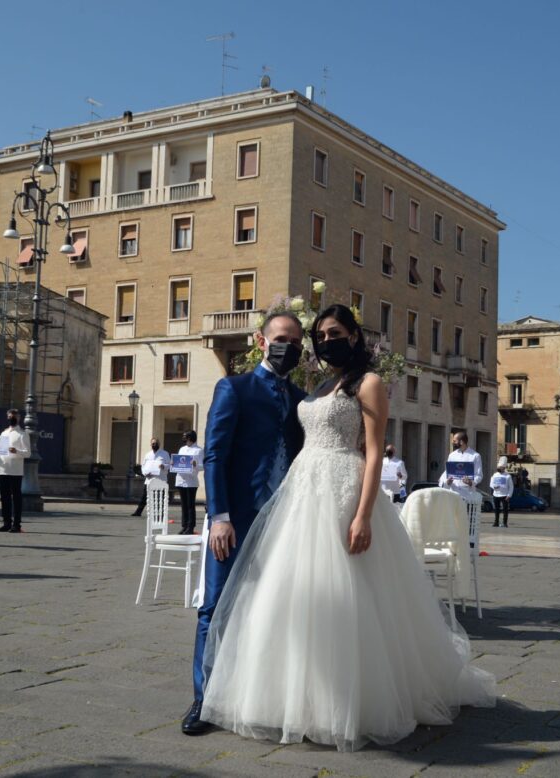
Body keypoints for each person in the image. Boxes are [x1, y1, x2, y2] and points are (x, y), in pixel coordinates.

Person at [197, 304, 496, 751]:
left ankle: (346, 700)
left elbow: (375, 454)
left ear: (355, 336)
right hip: (302, 496)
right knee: (294, 597)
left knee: (348, 596)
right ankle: (290, 697)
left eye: (334, 332)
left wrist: (362, 514)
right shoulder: (316, 386)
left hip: (343, 493)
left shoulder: (370, 383)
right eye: (318, 335)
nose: (324, 341)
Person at [184, 310, 307, 736]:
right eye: (280, 338)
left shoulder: (301, 399)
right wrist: (219, 516)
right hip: (234, 521)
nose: (286, 346)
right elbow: (215, 454)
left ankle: (259, 696)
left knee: (273, 609)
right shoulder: (233, 388)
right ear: (260, 340)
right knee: (216, 606)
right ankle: (204, 699)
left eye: (294, 341)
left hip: (284, 524)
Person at [0, 409, 30, 533]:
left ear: (19, 418)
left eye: (14, 416)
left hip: (16, 470)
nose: (11, 418)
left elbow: (28, 453)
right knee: (4, 497)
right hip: (3, 469)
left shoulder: (22, 434)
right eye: (9, 416)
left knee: (16, 497)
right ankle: (6, 522)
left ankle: (17, 524)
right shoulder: (3, 433)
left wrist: (17, 451)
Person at [439, 431, 483, 502]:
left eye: (454, 441)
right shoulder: (452, 455)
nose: (452, 443)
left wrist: (470, 482)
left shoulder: (475, 456)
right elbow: (447, 472)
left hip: (467, 494)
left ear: (461, 442)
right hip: (453, 494)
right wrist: (447, 482)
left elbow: (479, 475)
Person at [131, 438, 170, 517]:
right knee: (144, 496)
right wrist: (145, 473)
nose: (154, 445)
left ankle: (161, 514)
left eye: (155, 443)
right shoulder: (148, 454)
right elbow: (143, 466)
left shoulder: (165, 454)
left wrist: (163, 466)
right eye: (152, 443)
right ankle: (138, 512)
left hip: (160, 479)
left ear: (159, 444)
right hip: (149, 479)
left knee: (161, 498)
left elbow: (169, 465)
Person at [174, 430, 204, 535]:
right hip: (181, 479)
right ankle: (184, 525)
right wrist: (174, 463)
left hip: (191, 481)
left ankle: (191, 526)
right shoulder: (182, 449)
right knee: (183, 504)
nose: (183, 438)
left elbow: (202, 466)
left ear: (190, 438)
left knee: (190, 505)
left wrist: (195, 464)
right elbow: (178, 462)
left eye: (185, 436)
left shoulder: (199, 450)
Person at [489, 456, 514, 527]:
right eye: (499, 467)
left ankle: (504, 523)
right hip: (496, 494)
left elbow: (511, 487)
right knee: (496, 509)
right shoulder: (495, 475)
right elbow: (491, 483)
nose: (499, 468)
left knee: (505, 510)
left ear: (504, 468)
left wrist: (509, 495)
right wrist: (494, 487)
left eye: (501, 467)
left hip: (504, 495)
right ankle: (496, 522)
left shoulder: (508, 476)